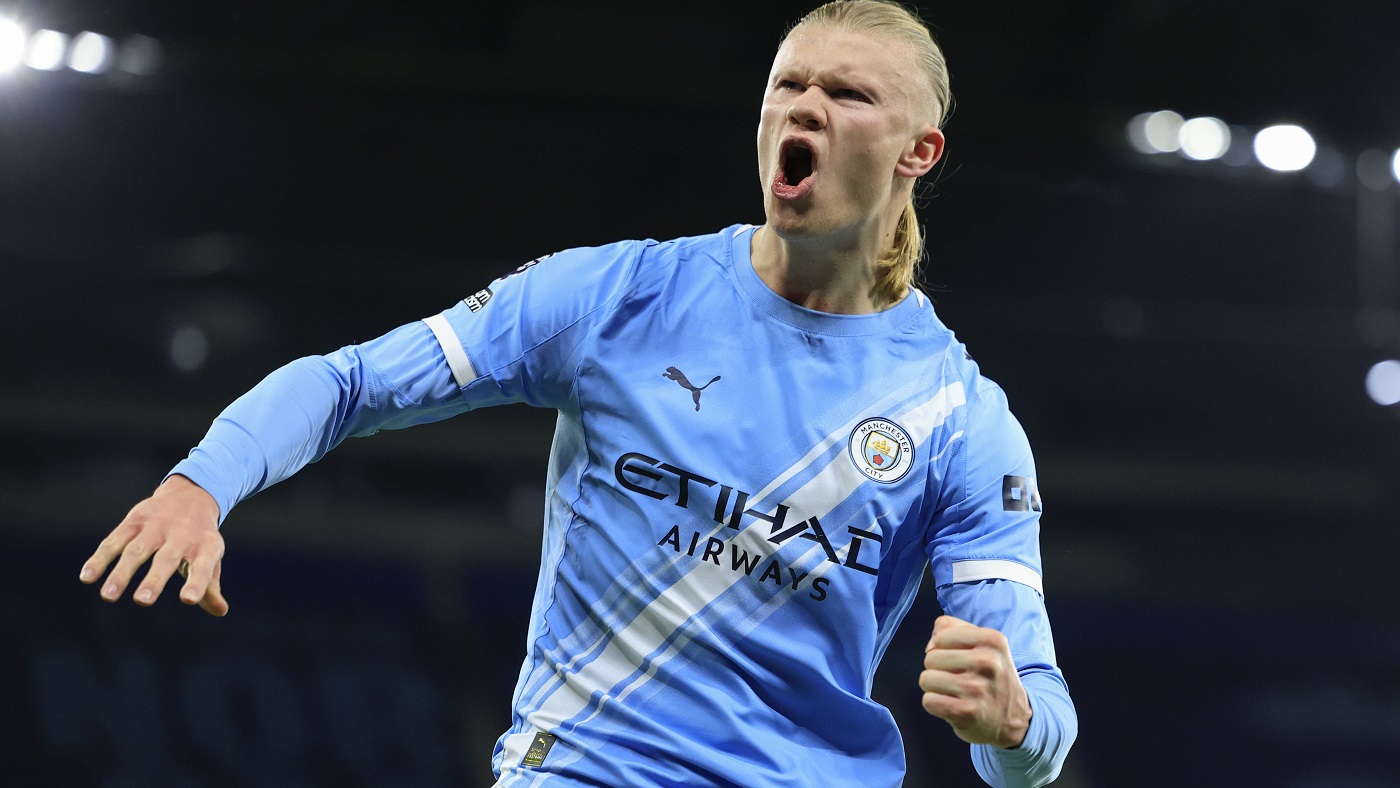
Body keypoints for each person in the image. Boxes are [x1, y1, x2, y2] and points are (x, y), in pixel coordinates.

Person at [80, 1, 1077, 785]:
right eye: (787, 84)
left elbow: (1029, 735)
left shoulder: (959, 419)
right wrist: (199, 484)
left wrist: (1011, 721)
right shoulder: (617, 296)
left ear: (917, 151)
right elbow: (351, 382)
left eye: (848, 94)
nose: (804, 107)